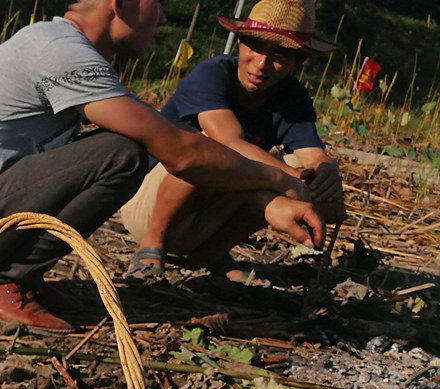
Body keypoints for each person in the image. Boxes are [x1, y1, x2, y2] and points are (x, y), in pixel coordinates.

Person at [0, 0, 325, 333]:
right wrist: (281, 182)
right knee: (122, 152)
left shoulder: (62, 46)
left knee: (121, 145)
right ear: (121, 4)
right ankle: (2, 281)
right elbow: (180, 151)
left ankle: (3, 276)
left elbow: (163, 132)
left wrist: (278, 190)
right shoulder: (59, 51)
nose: (161, 20)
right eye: (155, 6)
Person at [119, 0, 345, 282]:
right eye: (255, 47)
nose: (262, 64)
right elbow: (227, 141)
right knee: (207, 148)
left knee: (298, 169)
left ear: (299, 61)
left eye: (280, 55)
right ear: (239, 43)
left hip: (207, 215)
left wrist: (326, 173)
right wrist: (289, 181)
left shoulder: (292, 97)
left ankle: (212, 252)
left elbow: (312, 156)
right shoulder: (214, 74)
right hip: (147, 205)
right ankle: (151, 245)